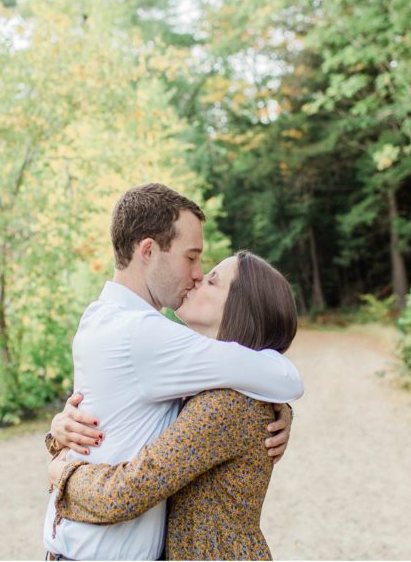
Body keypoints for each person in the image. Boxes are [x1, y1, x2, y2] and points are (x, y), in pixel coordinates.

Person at [42, 184, 302, 561]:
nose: (197, 275)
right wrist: (57, 443)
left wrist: (59, 470)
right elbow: (280, 377)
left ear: (241, 309)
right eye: (193, 258)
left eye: (211, 277)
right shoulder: (149, 338)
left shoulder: (203, 381)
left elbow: (130, 488)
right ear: (148, 251)